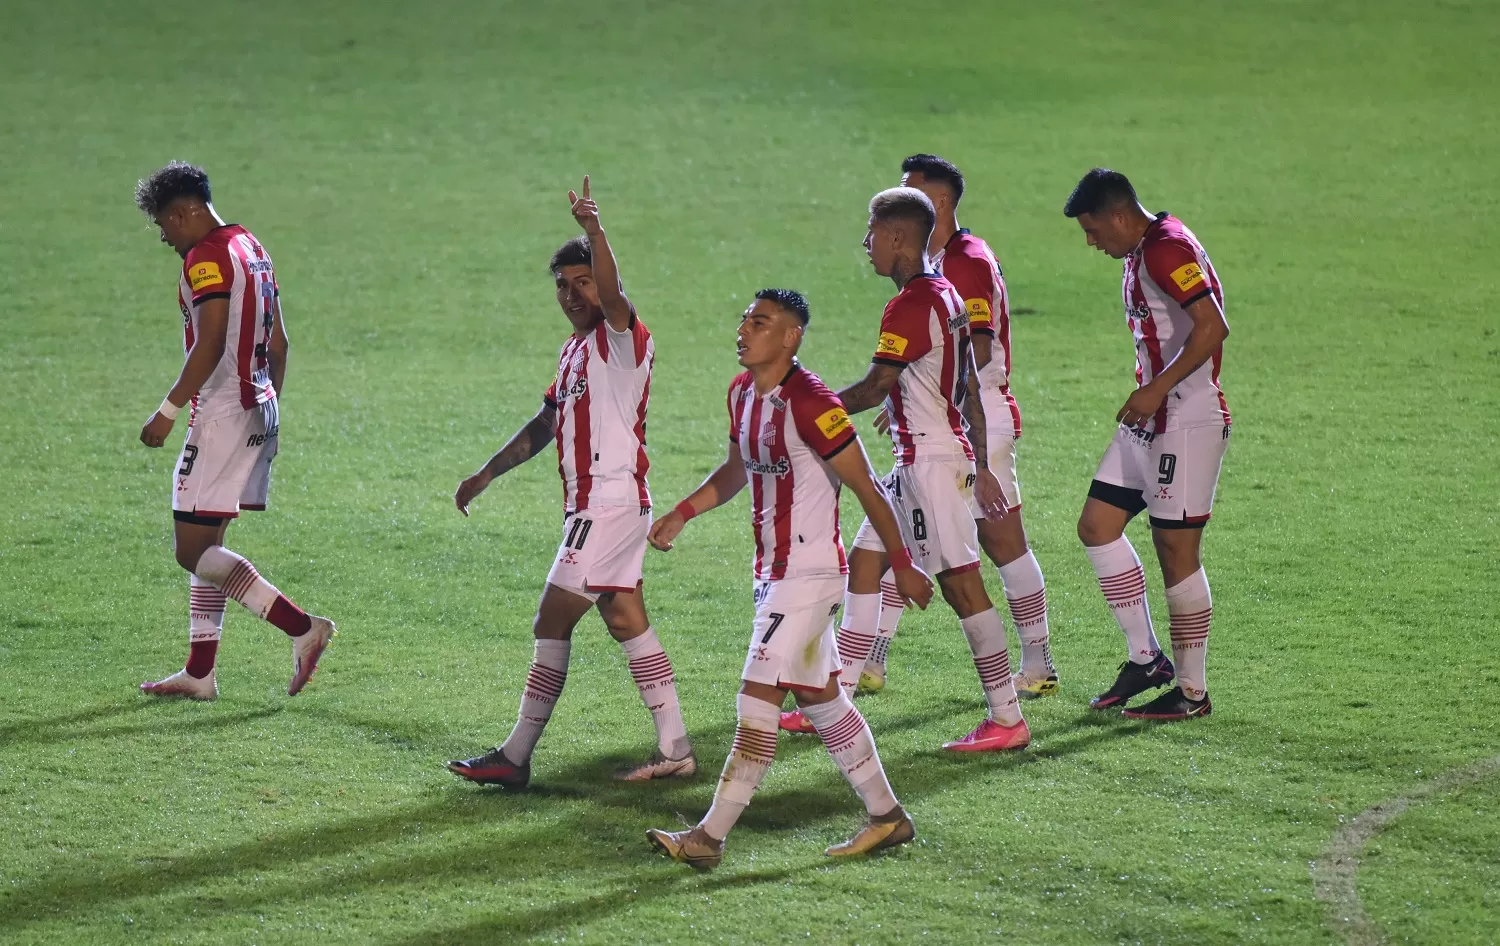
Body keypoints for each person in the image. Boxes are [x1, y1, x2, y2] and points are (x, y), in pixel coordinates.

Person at [644, 289, 934, 869]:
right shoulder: (742, 393)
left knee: (756, 700)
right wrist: (683, 511)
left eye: (761, 322)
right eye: (745, 319)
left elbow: (869, 488)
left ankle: (708, 838)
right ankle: (889, 817)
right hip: (773, 574)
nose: (744, 329)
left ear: (791, 337)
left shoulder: (812, 403)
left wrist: (901, 563)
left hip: (809, 575)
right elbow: (734, 470)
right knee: (823, 700)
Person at [446, 178, 695, 787]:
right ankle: (677, 749)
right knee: (624, 618)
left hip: (609, 502)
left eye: (582, 281)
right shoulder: (573, 353)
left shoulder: (622, 341)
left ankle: (515, 755)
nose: (572, 294)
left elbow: (613, 295)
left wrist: (595, 232)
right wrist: (486, 473)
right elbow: (547, 423)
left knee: (551, 620)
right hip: (598, 503)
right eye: (562, 284)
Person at [783, 187, 1030, 752]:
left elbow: (876, 386)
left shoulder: (911, 304)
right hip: (925, 458)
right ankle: (836, 699)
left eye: (872, 232)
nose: (866, 244)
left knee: (963, 587)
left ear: (897, 238)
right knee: (865, 565)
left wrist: (805, 412)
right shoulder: (947, 294)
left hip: (929, 466)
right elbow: (965, 384)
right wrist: (983, 460)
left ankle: (1007, 718)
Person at [134, 161, 335, 701]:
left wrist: (168, 410)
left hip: (222, 410)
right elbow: (281, 343)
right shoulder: (253, 247)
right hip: (257, 404)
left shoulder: (207, 258)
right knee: (210, 543)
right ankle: (201, 673)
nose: (165, 237)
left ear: (186, 212)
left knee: (191, 549)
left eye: (165, 224)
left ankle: (302, 628)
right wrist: (267, 409)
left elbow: (213, 341)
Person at [860, 154, 1055, 699]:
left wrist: (905, 384)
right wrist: (907, 387)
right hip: (940, 415)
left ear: (937, 202)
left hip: (973, 417)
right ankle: (861, 666)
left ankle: (1035, 670)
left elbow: (976, 352)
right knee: (894, 540)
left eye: (911, 189)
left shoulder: (963, 262)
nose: (903, 195)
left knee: (996, 544)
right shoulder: (935, 266)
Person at [1063, 168, 1231, 720]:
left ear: (1117, 216)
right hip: (1151, 416)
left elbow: (1213, 326)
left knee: (1176, 552)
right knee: (1098, 525)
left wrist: (1157, 388)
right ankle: (1146, 659)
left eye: (1092, 230)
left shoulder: (1165, 248)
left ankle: (1191, 693)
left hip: (1185, 417)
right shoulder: (1142, 249)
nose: (1091, 242)